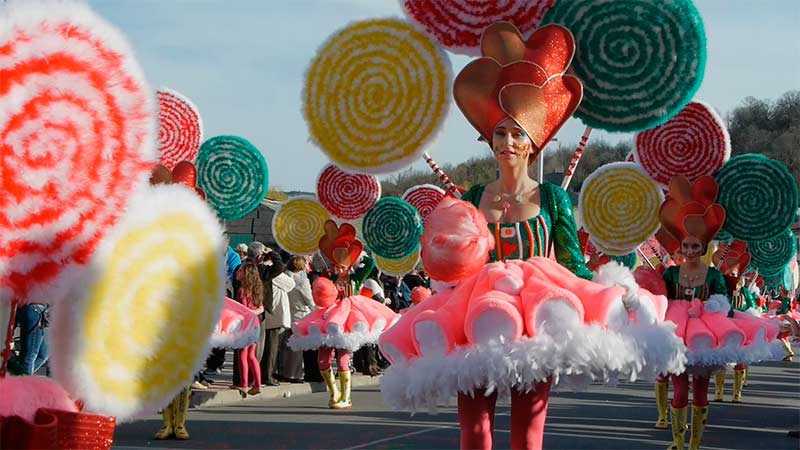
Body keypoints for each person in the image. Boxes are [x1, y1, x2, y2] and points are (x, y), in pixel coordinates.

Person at [278, 256, 314, 383]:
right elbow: (309, 300)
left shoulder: (284, 277)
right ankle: (294, 374)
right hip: (301, 314)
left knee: (286, 346)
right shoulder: (302, 281)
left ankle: (283, 371)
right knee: (297, 347)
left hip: (287, 313)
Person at [262, 251, 295, 386]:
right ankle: (267, 375)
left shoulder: (263, 270)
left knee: (269, 347)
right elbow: (290, 284)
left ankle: (267, 374)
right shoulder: (271, 272)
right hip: (274, 314)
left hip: (271, 313)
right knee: (271, 347)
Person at [233, 262, 265, 396]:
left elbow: (243, 310)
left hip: (246, 325)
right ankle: (257, 384)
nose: (237, 272)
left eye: (240, 271)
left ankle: (244, 384)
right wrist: (255, 312)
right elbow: (261, 308)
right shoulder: (256, 289)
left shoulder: (242, 291)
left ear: (245, 275)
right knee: (251, 355)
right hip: (256, 324)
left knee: (242, 354)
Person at [15, 303, 49, 375]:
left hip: (32, 309)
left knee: (42, 354)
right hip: (35, 309)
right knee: (29, 356)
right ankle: (23, 383)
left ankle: (18, 376)